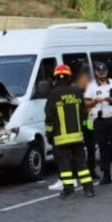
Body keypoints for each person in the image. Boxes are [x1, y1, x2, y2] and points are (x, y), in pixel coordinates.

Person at [45, 64, 95, 198]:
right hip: (78, 136)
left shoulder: (53, 95)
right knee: (81, 163)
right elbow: (84, 114)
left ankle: (68, 189)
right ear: (69, 77)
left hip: (60, 138)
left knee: (65, 165)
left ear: (55, 78)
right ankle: (88, 189)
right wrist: (84, 131)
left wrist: (49, 134)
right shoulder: (77, 92)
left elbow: (49, 118)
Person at [85, 62, 112, 185]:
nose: (101, 74)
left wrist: (111, 100)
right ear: (96, 73)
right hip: (100, 119)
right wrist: (95, 102)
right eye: (99, 72)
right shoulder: (91, 86)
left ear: (107, 72)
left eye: (103, 72)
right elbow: (86, 103)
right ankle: (106, 175)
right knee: (103, 148)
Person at [76, 69, 98, 178]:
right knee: (78, 149)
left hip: (89, 122)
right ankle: (79, 171)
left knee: (91, 148)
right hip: (79, 123)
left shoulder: (91, 89)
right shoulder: (75, 90)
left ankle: (92, 170)